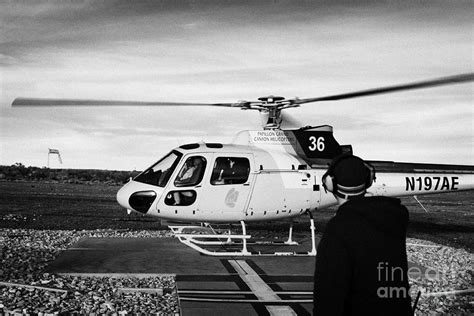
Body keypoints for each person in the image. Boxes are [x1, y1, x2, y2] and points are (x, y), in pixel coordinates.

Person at [314, 154, 413, 315]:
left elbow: (327, 299)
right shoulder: (395, 218)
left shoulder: (338, 228)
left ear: (330, 183)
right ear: (368, 180)